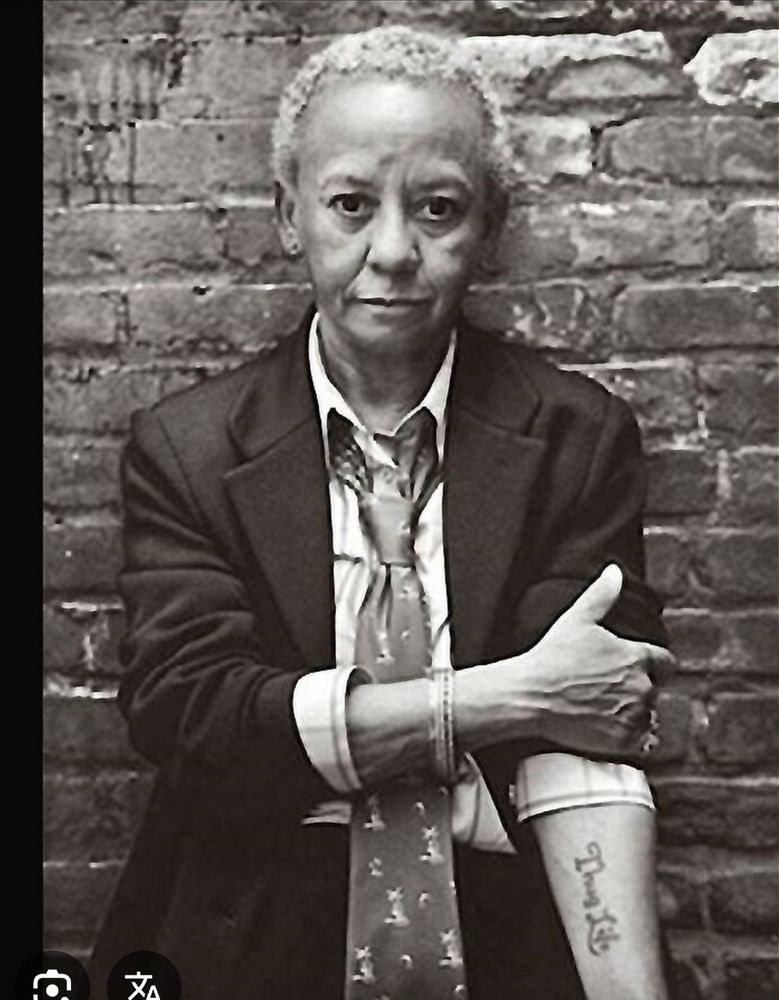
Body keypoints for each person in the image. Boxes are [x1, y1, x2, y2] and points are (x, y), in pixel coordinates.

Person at [90, 25, 676, 1000]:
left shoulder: (576, 438)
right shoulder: (186, 450)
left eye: (438, 208)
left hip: (502, 929)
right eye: (351, 204)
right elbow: (198, 721)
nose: (394, 250)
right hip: (253, 928)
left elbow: (587, 729)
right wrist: (502, 696)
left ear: (488, 224)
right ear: (288, 215)